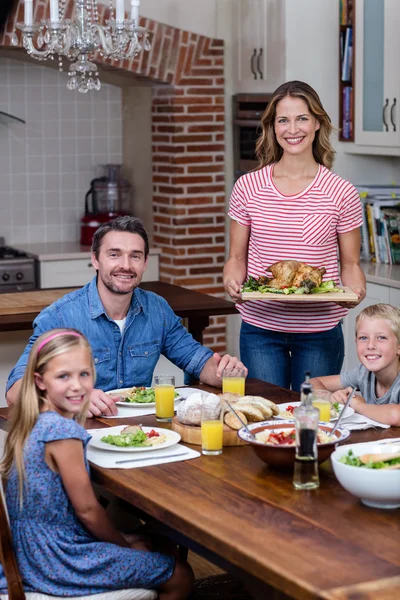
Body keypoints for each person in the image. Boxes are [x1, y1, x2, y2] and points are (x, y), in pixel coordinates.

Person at [0, 328, 194, 598]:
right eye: (63, 376)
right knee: (180, 575)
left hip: (32, 551)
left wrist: (124, 541)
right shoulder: (61, 431)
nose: (77, 385)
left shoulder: (30, 421)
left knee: (150, 540)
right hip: (60, 560)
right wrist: (123, 546)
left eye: (84, 374)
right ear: (40, 381)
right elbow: (88, 511)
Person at [6, 216, 247, 417]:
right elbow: (16, 392)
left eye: (135, 256)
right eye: (114, 254)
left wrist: (225, 371)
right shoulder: (60, 317)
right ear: (95, 260)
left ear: (144, 264)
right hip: (79, 434)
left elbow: (196, 360)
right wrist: (74, 401)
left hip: (143, 433)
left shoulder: (157, 309)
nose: (126, 265)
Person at [223, 80, 366, 392]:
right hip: (260, 327)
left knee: (313, 418)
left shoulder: (341, 191)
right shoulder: (248, 187)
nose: (293, 129)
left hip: (320, 330)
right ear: (273, 127)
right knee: (267, 416)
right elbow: (236, 257)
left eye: (302, 118)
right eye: (283, 120)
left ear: (317, 123)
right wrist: (232, 280)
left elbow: (351, 263)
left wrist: (355, 288)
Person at [310, 304, 400, 427]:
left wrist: (358, 405)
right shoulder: (362, 372)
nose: (370, 345)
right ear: (355, 341)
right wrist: (332, 398)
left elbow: (396, 416)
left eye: (381, 337)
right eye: (363, 338)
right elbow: (312, 383)